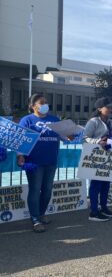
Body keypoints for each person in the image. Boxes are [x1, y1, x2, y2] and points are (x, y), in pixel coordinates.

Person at [18, 94, 62, 232]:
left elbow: (64, 136)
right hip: (34, 162)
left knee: (47, 190)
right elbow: (20, 139)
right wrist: (20, 155)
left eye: (46, 102)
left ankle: (41, 213)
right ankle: (35, 219)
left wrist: (71, 134)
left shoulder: (54, 119)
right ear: (33, 106)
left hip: (51, 160)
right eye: (42, 103)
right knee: (35, 189)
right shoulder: (27, 120)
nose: (45, 105)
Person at [83, 97, 112, 222]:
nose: (110, 109)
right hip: (96, 156)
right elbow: (84, 138)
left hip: (108, 156)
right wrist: (98, 141)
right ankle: (93, 211)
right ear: (99, 109)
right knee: (96, 184)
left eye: (111, 107)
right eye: (107, 107)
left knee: (106, 184)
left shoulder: (111, 122)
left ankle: (103, 207)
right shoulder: (93, 122)